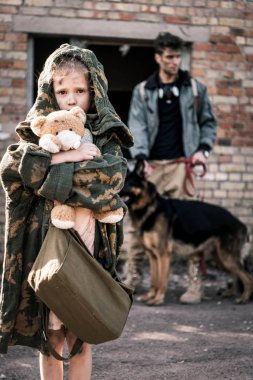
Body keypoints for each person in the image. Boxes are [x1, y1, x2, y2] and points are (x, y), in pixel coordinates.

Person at [0, 44, 133, 379]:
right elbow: (13, 169)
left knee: (81, 334)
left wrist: (44, 174)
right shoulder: (39, 132)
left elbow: (105, 180)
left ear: (95, 91)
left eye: (80, 90)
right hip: (46, 249)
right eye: (62, 91)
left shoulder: (107, 138)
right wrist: (65, 158)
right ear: (50, 93)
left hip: (90, 249)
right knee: (51, 334)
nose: (71, 100)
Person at [124, 31, 217, 304]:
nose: (174, 61)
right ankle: (133, 277)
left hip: (181, 165)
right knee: (138, 224)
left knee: (187, 224)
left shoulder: (195, 89)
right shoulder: (143, 90)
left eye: (178, 56)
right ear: (158, 58)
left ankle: (194, 284)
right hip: (151, 167)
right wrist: (140, 157)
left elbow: (208, 123)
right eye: (169, 57)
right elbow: (136, 126)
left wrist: (203, 151)